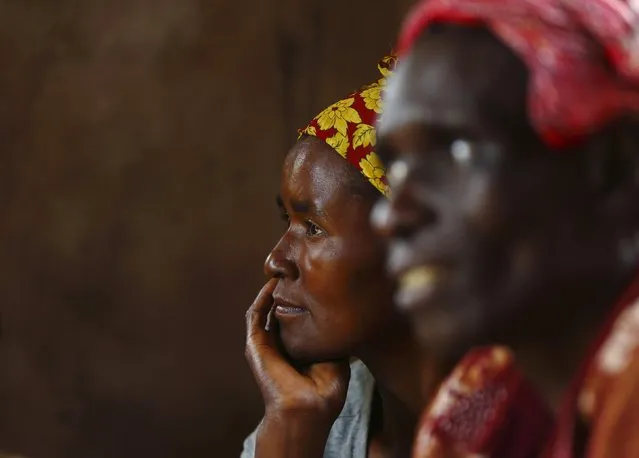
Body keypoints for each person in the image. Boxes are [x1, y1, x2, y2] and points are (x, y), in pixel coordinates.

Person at [373, 0, 639, 457]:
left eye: (457, 150)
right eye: (394, 168)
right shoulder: (478, 418)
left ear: (614, 167)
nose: (392, 216)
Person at [241, 55, 435, 458]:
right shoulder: (309, 420)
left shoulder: (532, 434)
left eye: (312, 228)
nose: (275, 260)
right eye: (286, 221)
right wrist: (290, 437)